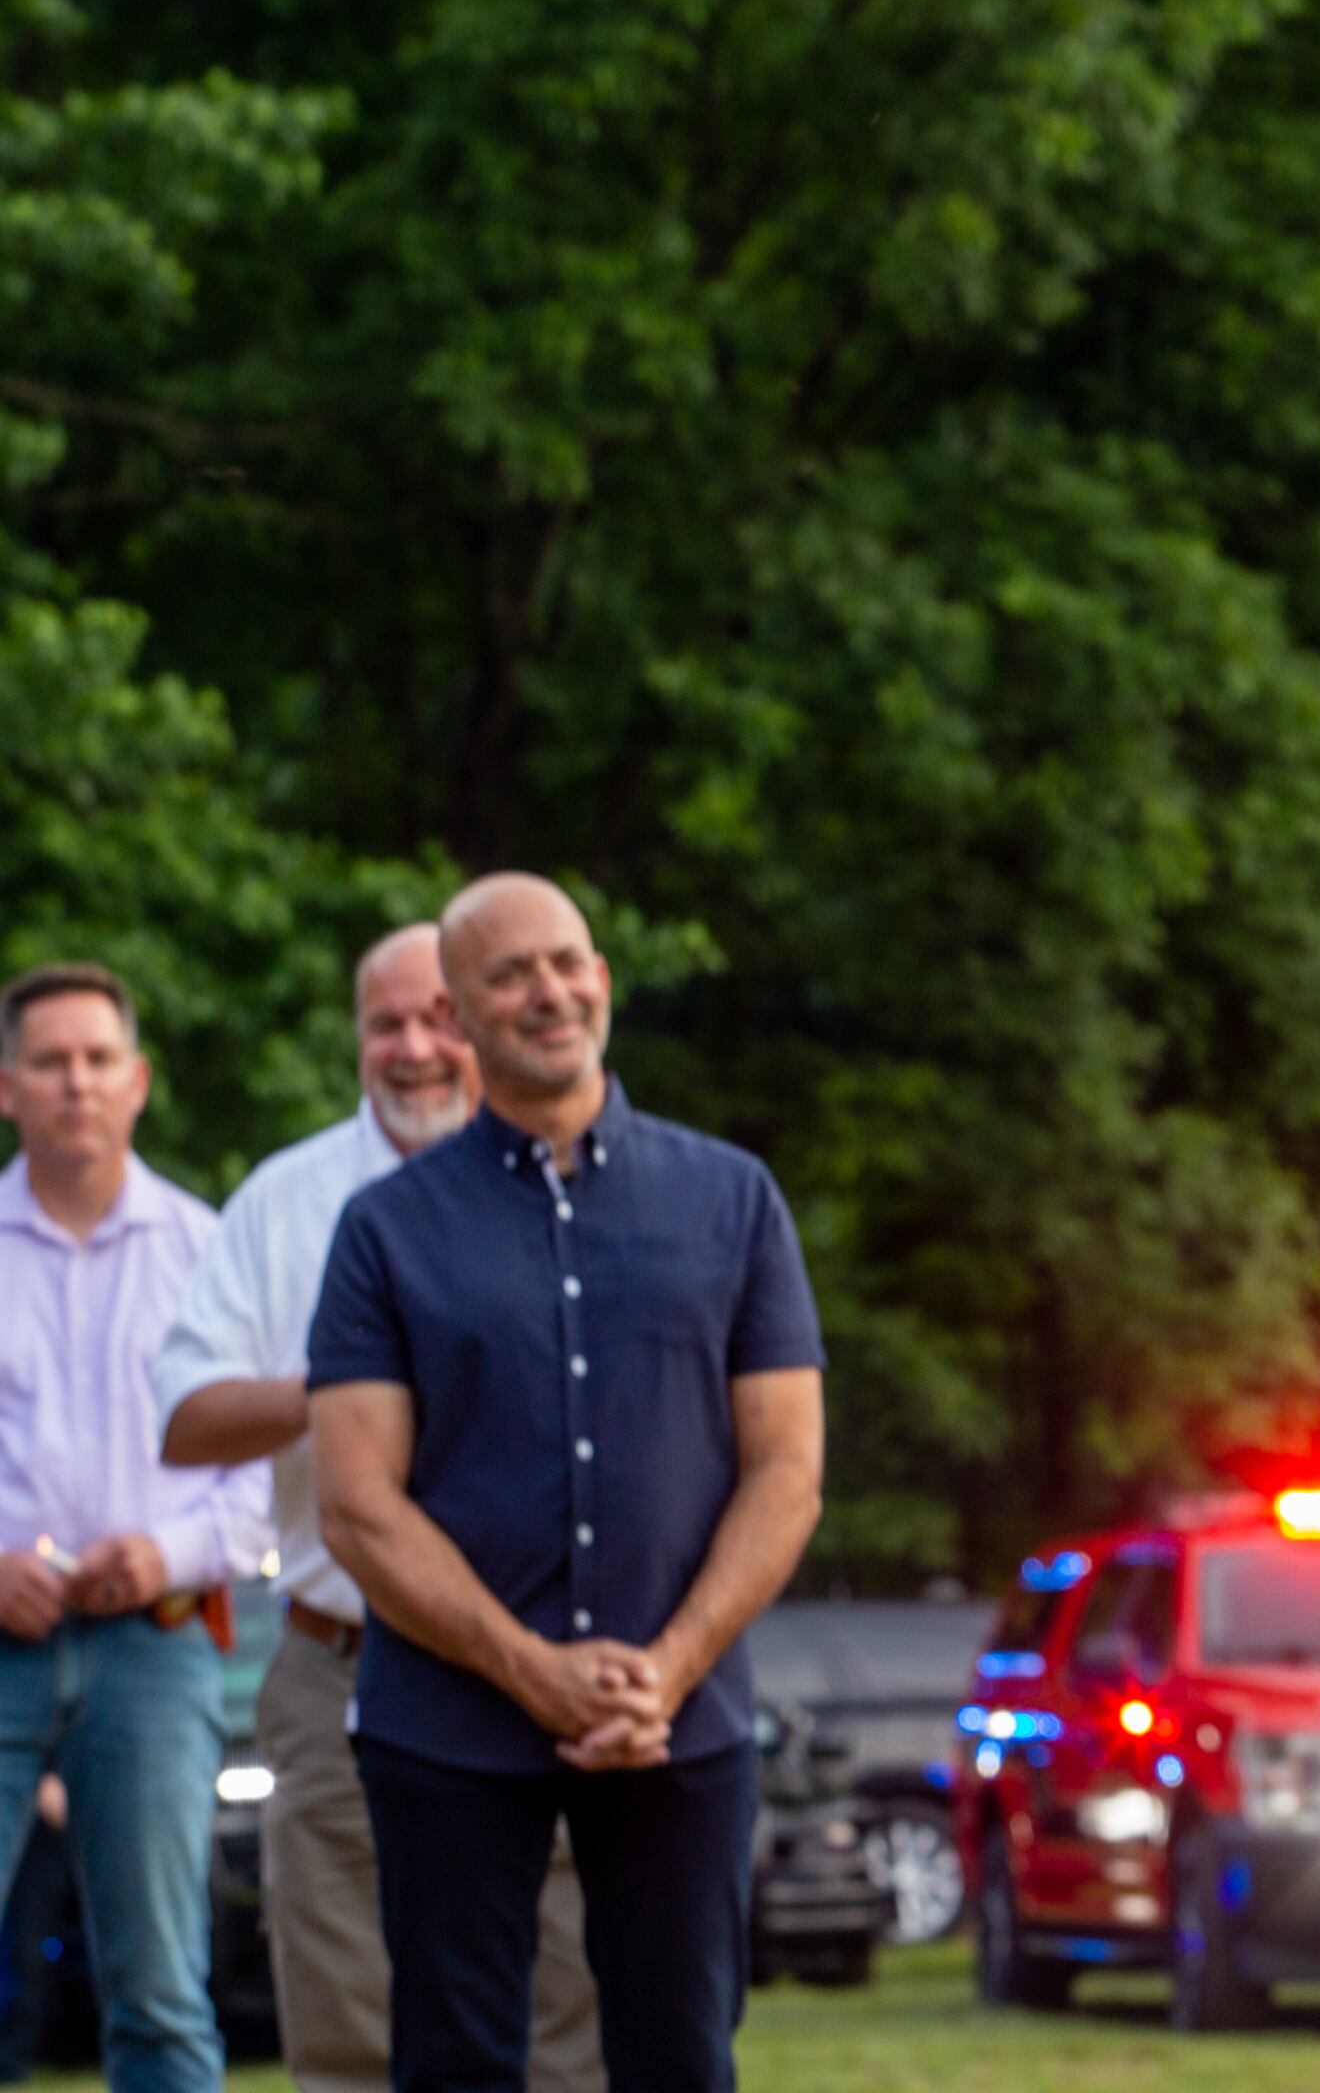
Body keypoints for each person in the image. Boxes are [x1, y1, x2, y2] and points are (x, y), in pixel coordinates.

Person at [308, 876, 824, 2093]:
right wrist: (530, 1668)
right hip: (447, 1718)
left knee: (680, 2058)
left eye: (568, 962)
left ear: (601, 976)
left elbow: (788, 1466)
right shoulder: (385, 1230)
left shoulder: (733, 1199)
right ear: (460, 1014)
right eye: (511, 974)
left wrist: (675, 1663)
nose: (550, 991)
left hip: (677, 1721)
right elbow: (358, 1502)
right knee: (456, 2064)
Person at [154, 924, 606, 2093]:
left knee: (563, 2018)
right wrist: (346, 1382)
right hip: (343, 1659)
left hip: (543, 1668)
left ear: (484, 1017)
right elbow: (185, 1414)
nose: (414, 1049)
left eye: (437, 1018)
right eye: (384, 1025)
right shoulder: (289, 1199)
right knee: (352, 2028)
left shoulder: (580, 1187)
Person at [0, 962, 270, 2093]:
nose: (77, 1083)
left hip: (155, 1642)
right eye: (51, 1062)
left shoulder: (210, 1253)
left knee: (161, 1990)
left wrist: (170, 1551)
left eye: (99, 1059)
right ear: (8, 1086)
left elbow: (267, 1473)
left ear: (140, 1080)